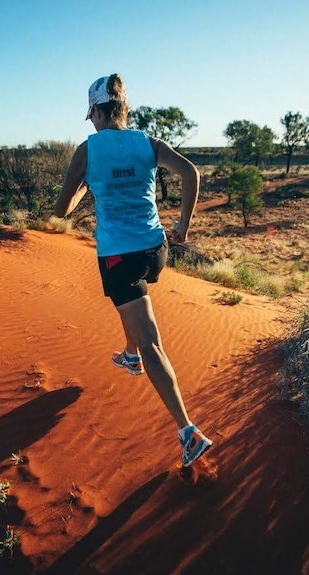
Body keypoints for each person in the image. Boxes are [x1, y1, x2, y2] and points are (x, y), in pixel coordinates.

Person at [53, 74, 212, 467]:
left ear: (95, 111)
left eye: (89, 113)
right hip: (155, 250)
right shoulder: (148, 143)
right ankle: (129, 355)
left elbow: (61, 211)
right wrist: (184, 227)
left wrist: (84, 188)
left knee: (151, 341)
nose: (89, 121)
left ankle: (188, 432)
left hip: (118, 257)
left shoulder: (86, 152)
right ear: (122, 108)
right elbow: (192, 173)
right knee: (133, 304)